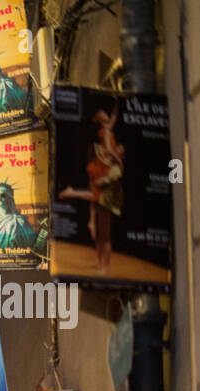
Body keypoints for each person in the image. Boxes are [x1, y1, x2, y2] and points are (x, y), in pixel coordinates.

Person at [58, 102, 124, 273]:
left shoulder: (108, 127)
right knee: (96, 200)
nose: (108, 117)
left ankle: (102, 263)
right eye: (105, 115)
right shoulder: (107, 132)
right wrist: (118, 158)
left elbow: (114, 118)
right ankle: (100, 261)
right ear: (102, 120)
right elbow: (109, 148)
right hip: (105, 164)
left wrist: (116, 103)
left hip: (105, 169)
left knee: (100, 218)